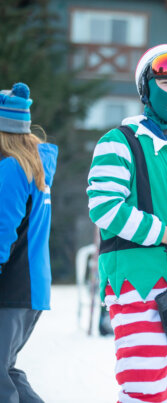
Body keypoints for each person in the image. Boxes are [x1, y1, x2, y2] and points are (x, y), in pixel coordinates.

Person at [86, 44, 167, 403]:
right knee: (144, 389)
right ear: (146, 88)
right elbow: (104, 208)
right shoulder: (119, 143)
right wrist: (166, 234)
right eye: (166, 82)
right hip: (139, 285)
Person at [0, 82, 58, 403]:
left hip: (12, 289)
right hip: (29, 287)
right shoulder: (34, 166)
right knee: (5, 370)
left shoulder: (11, 168)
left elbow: (2, 231)